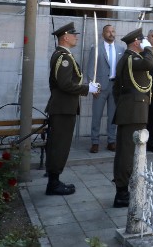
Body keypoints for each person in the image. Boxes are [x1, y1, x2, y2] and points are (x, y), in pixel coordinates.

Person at [45, 22, 100, 196]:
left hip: (64, 108)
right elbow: (65, 84)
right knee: (59, 146)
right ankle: (53, 184)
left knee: (60, 145)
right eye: (73, 34)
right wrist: (87, 89)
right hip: (62, 108)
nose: (76, 37)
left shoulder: (62, 55)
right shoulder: (64, 57)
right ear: (65, 37)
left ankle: (54, 181)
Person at [111, 28, 153, 208]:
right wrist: (149, 48)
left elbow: (116, 90)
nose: (144, 42)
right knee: (128, 153)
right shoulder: (132, 58)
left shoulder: (127, 58)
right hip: (134, 110)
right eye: (142, 40)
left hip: (130, 109)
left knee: (125, 151)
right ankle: (122, 193)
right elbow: (150, 63)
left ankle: (122, 190)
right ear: (137, 42)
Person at [85, 24, 124, 154]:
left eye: (113, 31)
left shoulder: (120, 49)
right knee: (96, 115)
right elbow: (90, 69)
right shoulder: (96, 48)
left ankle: (111, 141)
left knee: (113, 116)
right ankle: (95, 142)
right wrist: (93, 88)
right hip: (100, 88)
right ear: (103, 34)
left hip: (115, 87)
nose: (111, 33)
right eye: (108, 31)